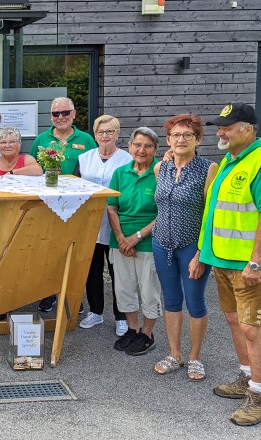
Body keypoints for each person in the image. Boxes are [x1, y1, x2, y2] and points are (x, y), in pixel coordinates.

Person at [202, 103, 261, 426]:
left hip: (248, 266)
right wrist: (204, 254)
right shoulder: (231, 161)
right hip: (224, 259)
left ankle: (260, 396)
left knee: (252, 327)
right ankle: (246, 377)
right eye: (219, 126)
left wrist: (256, 262)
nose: (220, 132)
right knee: (235, 321)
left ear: (248, 129)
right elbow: (215, 213)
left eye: (227, 126)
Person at [151, 114, 218, 381]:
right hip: (161, 244)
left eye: (187, 135)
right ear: (168, 140)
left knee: (195, 301)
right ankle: (175, 354)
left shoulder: (208, 169)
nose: (181, 139)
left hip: (192, 246)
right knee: (171, 300)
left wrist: (202, 253)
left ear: (197, 140)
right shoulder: (161, 168)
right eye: (176, 135)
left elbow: (210, 215)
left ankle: (195, 358)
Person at [31, 97, 97, 312]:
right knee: (47, 251)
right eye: (56, 114)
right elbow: (32, 170)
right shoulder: (41, 139)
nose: (61, 117)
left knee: (74, 252)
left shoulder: (86, 139)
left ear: (74, 114)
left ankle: (72, 295)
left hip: (77, 207)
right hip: (47, 207)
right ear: (51, 117)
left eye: (65, 113)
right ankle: (47, 293)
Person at [73, 115, 132, 335]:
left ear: (117, 133)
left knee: (118, 271)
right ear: (94, 135)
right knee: (92, 270)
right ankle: (96, 312)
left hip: (117, 222)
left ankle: (121, 316)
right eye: (100, 132)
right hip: (89, 224)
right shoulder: (84, 157)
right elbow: (75, 187)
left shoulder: (127, 159)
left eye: (109, 131)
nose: (105, 136)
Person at [106, 127, 161, 356]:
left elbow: (164, 213)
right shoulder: (120, 173)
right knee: (124, 289)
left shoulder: (161, 173)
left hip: (148, 243)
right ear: (129, 147)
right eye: (137, 145)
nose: (141, 150)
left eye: (147, 146)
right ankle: (132, 329)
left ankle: (147, 335)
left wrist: (136, 237)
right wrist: (121, 238)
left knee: (149, 291)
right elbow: (111, 207)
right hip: (120, 243)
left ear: (155, 150)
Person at [0, 126, 43, 252]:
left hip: (18, 220)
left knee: (14, 258)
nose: (7, 145)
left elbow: (38, 170)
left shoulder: (26, 160)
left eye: (12, 142)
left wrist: (13, 173)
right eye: (3, 142)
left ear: (19, 145)